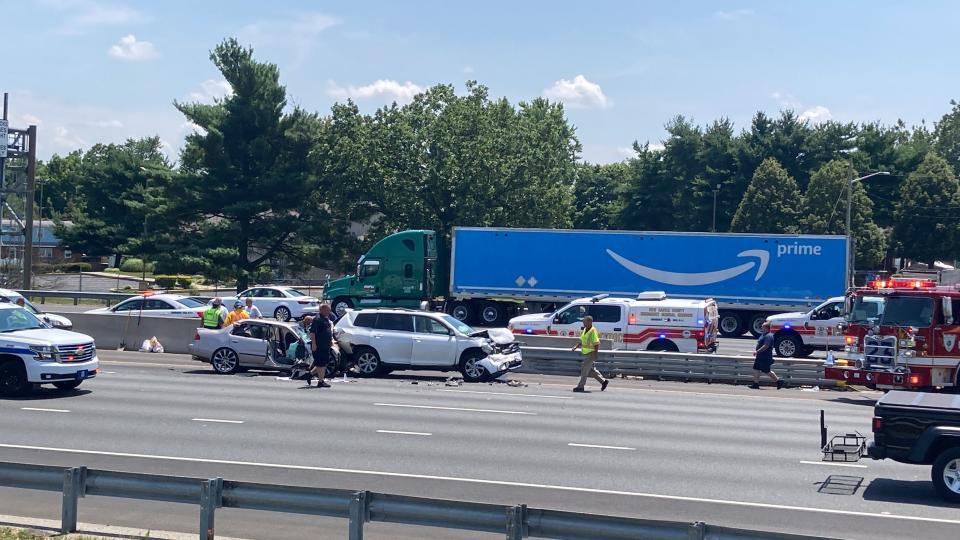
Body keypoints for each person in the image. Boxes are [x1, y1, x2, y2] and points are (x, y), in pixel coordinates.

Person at [571, 315, 609, 393]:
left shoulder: (592, 330)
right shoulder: (585, 329)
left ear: (589, 322)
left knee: (584, 369)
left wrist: (595, 354)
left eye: (584, 321)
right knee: (591, 370)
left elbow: (596, 343)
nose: (583, 322)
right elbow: (582, 340)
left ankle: (580, 386)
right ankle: (603, 382)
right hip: (586, 353)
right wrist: (576, 346)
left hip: (591, 353)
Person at [751, 321, 784, 389]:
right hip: (760, 356)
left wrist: (757, 351)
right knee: (756, 369)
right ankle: (755, 384)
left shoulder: (769, 336)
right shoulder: (763, 334)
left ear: (766, 328)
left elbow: (766, 346)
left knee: (766, 371)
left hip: (765, 357)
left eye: (762, 326)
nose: (761, 327)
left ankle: (779, 381)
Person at [308, 305, 334, 388]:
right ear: (322, 310)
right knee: (321, 364)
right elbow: (312, 333)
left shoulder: (326, 319)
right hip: (319, 345)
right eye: (328, 310)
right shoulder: (317, 319)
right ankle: (321, 381)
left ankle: (309, 374)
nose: (329, 312)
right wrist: (314, 344)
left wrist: (330, 341)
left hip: (326, 345)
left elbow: (328, 331)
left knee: (324, 363)